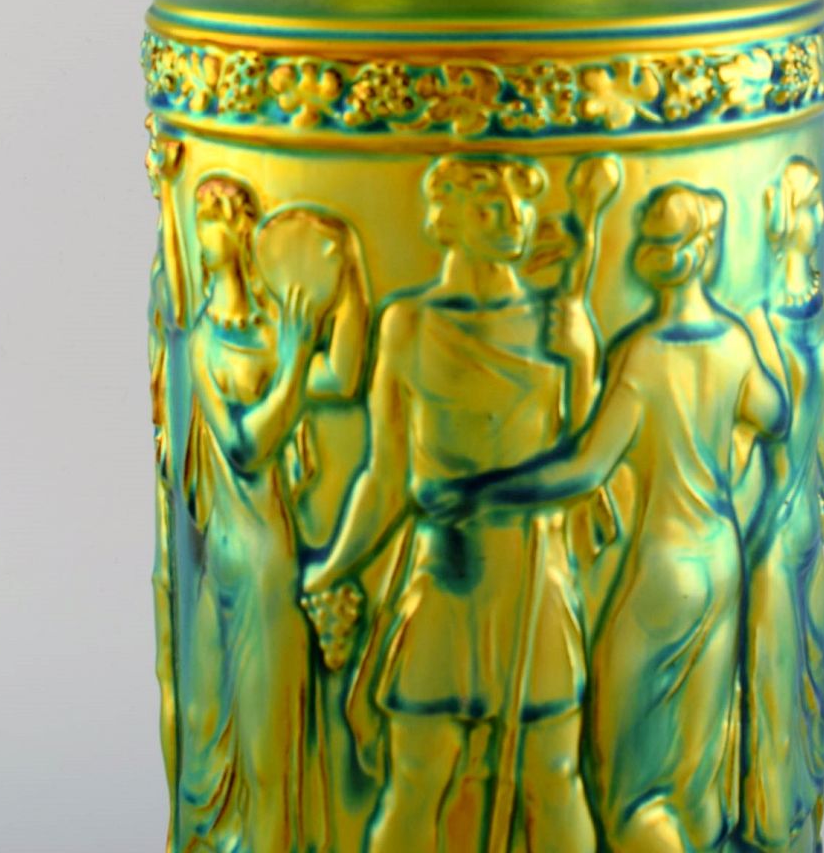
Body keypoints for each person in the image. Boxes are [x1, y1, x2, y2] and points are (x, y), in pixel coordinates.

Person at [433, 183, 789, 853]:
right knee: (694, 786)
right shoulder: (734, 343)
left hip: (662, 574)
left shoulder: (647, 354)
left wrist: (484, 492)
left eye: (656, 242)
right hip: (722, 561)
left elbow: (582, 469)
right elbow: (774, 417)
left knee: (629, 799)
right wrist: (732, 443)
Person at [303, 154, 597, 853]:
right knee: (417, 775)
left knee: (552, 775)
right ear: (449, 220)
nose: (515, 222)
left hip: (533, 571)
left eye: (521, 205)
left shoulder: (556, 324)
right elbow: (385, 478)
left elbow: (589, 470)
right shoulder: (408, 324)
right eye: (492, 207)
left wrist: (584, 363)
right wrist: (333, 565)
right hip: (444, 574)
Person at [179, 176, 365, 853]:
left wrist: (350, 280)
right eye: (199, 217)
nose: (202, 233)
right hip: (223, 554)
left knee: (268, 746)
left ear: (241, 234)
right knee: (208, 720)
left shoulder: (266, 332)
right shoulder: (205, 340)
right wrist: (292, 360)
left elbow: (342, 378)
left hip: (265, 561)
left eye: (214, 218)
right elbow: (245, 444)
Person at [739, 158, 824, 853]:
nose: (822, 217)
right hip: (770, 533)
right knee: (773, 700)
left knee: (808, 683)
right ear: (781, 220)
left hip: (807, 521)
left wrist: (823, 479)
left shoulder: (811, 300)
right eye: (808, 208)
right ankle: (769, 826)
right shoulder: (756, 318)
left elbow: (818, 412)